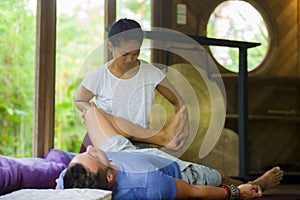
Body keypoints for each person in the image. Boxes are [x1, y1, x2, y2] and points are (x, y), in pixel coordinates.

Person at [58, 105, 284, 200]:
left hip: (119, 153)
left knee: (89, 110)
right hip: (169, 168)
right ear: (109, 178)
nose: (89, 147)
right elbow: (196, 193)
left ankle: (164, 137)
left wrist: (100, 157)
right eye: (94, 155)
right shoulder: (148, 184)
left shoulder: (68, 182)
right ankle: (255, 185)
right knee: (221, 176)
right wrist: (235, 193)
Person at [74, 18, 189, 151]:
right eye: (125, 54)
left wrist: (184, 128)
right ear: (110, 46)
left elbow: (179, 103)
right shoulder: (99, 77)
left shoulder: (150, 73)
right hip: (104, 140)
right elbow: (80, 99)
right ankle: (163, 137)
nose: (130, 59)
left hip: (138, 141)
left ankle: (164, 138)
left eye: (136, 53)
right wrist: (92, 113)